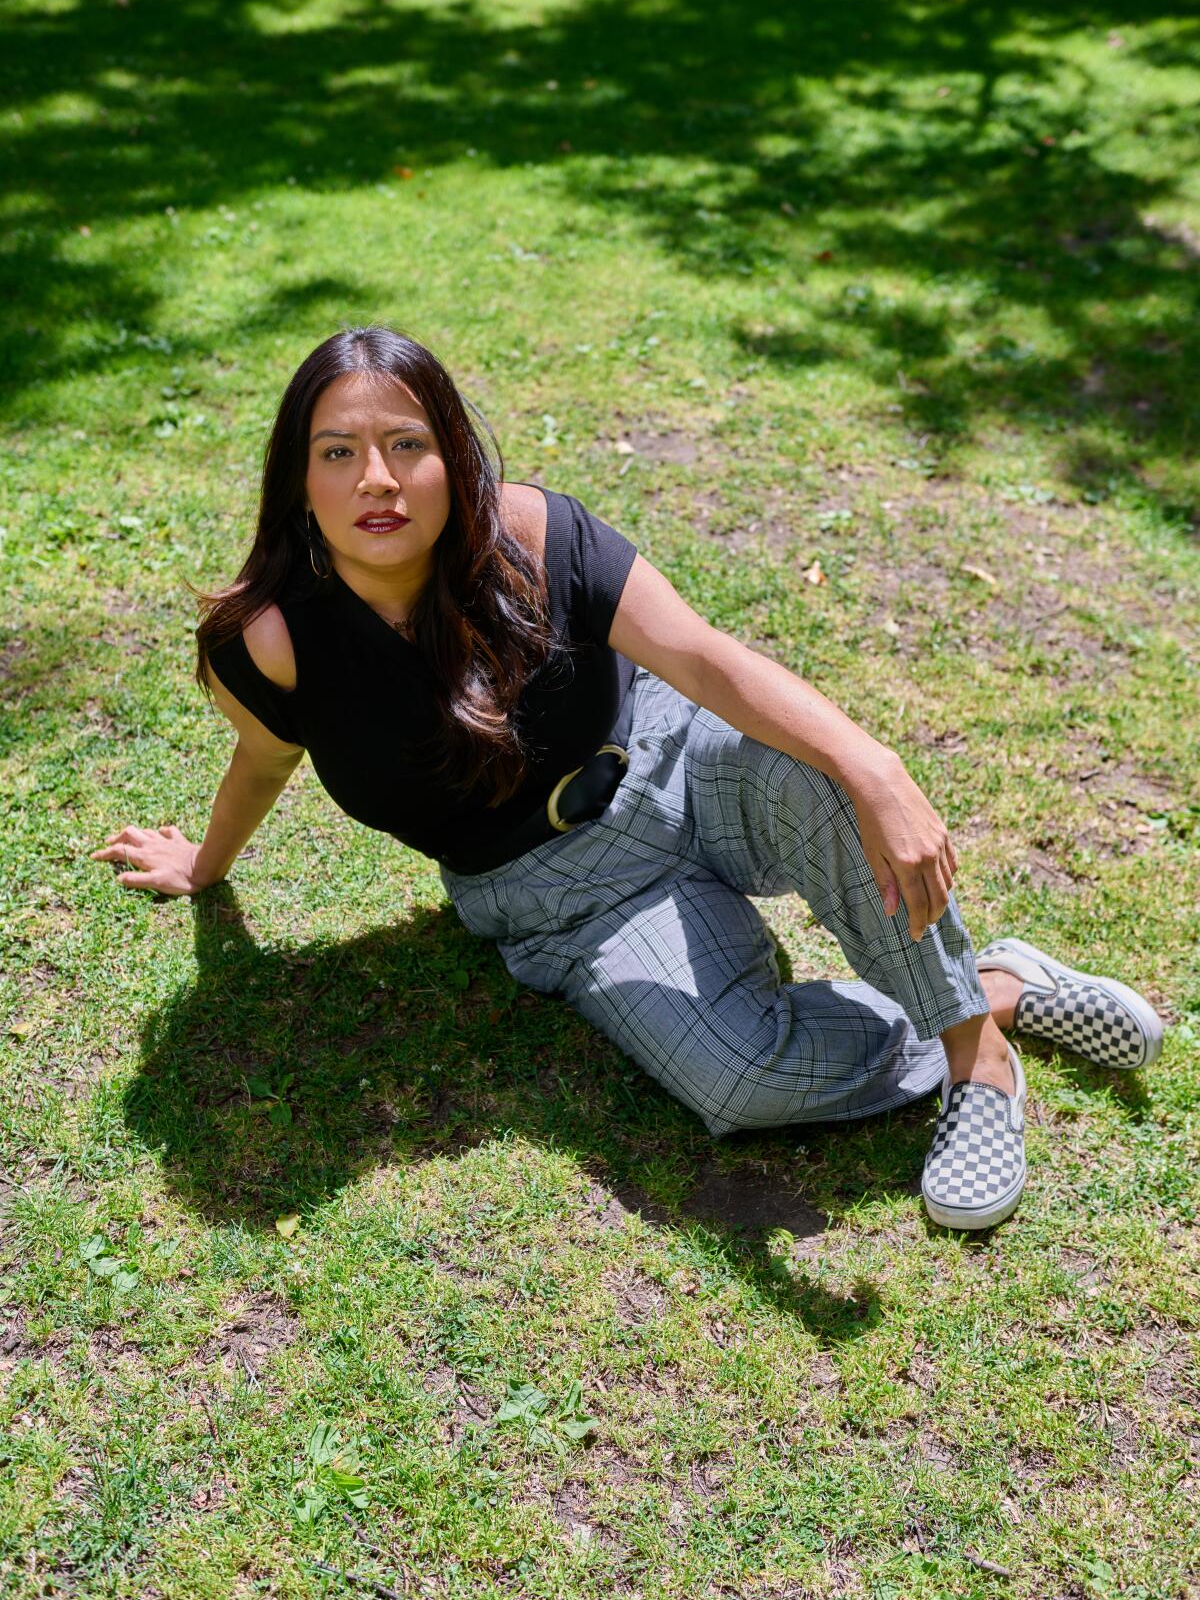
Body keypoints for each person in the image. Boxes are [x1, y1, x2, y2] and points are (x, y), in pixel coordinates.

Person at [91, 327, 1164, 1231]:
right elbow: (262, 758)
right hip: (567, 900)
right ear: (299, 479)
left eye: (405, 444)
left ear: (449, 457)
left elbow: (704, 661)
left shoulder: (531, 533)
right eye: (339, 452)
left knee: (822, 770)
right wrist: (205, 864)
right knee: (743, 1083)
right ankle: (995, 987)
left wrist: (872, 763)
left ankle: (976, 1064)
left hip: (679, 765)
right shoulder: (270, 643)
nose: (376, 480)